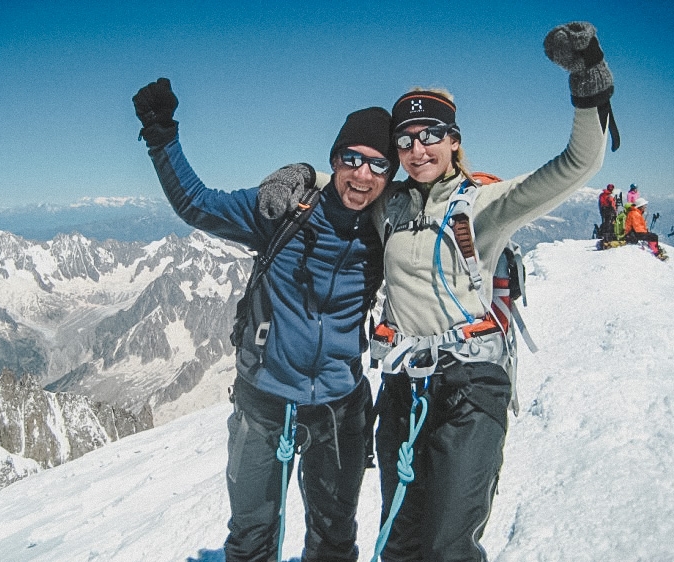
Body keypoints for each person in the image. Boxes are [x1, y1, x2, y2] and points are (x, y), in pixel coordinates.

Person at [258, 20, 618, 562]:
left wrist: (587, 78)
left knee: (449, 544)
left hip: (472, 386)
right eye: (405, 139)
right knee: (400, 540)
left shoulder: (485, 203)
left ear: (453, 140)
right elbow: (351, 180)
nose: (417, 148)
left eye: (430, 135)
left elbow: (578, 164)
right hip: (404, 385)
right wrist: (300, 174)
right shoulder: (390, 206)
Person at [132, 78, 398, 562]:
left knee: (334, 536)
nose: (362, 175)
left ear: (389, 175)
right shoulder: (283, 211)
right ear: (335, 160)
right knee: (252, 535)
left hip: (340, 407)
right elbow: (197, 204)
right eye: (351, 160)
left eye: (378, 165)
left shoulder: (387, 230)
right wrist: (161, 135)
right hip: (264, 401)